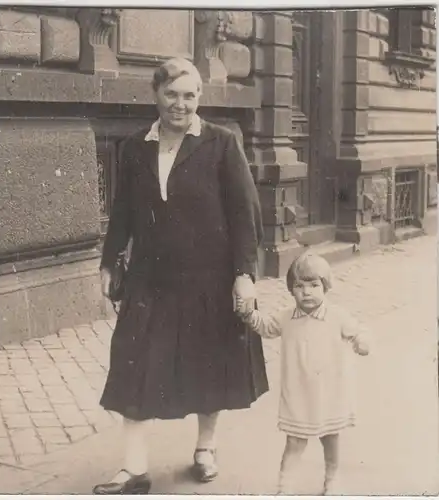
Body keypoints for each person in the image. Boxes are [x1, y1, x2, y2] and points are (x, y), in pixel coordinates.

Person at [93, 57, 268, 495]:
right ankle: (134, 469)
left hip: (210, 279)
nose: (180, 104)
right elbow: (123, 212)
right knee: (132, 368)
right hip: (150, 281)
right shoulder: (134, 147)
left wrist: (245, 274)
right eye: (172, 94)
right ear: (156, 95)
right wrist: (109, 261)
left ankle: (205, 450)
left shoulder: (222, 143)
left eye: (189, 95)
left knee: (209, 368)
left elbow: (245, 216)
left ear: (199, 98)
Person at [235, 251, 370, 495]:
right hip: (298, 394)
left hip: (330, 393)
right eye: (299, 286)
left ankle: (332, 479)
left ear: (325, 287)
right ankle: (284, 488)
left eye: (313, 285)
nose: (306, 292)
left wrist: (362, 341)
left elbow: (357, 331)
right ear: (291, 289)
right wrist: (248, 314)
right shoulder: (286, 317)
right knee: (294, 442)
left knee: (331, 438)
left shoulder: (337, 316)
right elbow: (265, 327)